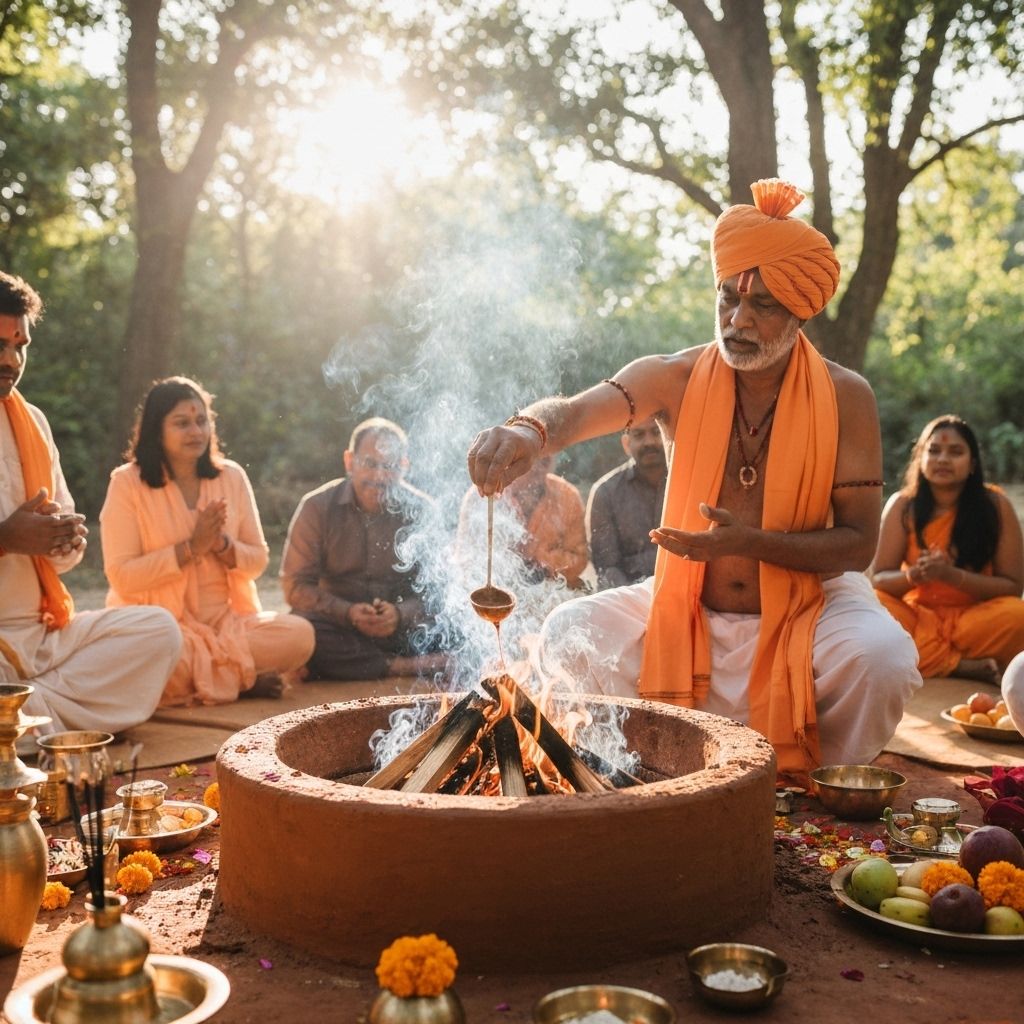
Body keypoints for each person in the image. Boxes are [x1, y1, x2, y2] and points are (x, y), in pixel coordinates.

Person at [467, 178, 921, 778]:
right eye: (728, 298)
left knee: (883, 659)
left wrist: (750, 543)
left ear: (800, 312)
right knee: (569, 632)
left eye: (763, 306)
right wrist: (529, 430)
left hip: (808, 604)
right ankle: (633, 772)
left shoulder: (845, 395)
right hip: (687, 599)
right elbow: (576, 412)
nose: (738, 319)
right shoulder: (674, 378)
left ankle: (817, 779)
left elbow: (859, 546)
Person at [0, 271, 181, 734]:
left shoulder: (32, 422)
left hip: (44, 637)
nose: (11, 359)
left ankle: (22, 721)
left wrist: (64, 541)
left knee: (158, 630)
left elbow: (63, 558)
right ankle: (35, 720)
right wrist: (6, 539)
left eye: (20, 345)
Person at [100, 377, 314, 705]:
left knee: (300, 635)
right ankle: (243, 678)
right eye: (182, 423)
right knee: (136, 655)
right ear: (156, 430)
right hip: (162, 628)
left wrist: (222, 547)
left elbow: (258, 560)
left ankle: (216, 677)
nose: (196, 431)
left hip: (226, 624)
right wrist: (190, 549)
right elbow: (121, 577)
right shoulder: (127, 484)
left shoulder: (231, 476)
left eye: (201, 421)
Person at [280, 417, 449, 680]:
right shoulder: (316, 507)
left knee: (460, 625)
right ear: (349, 462)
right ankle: (401, 666)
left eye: (389, 466)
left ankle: (372, 664)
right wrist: (348, 613)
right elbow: (295, 587)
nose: (379, 476)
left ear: (404, 466)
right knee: (301, 630)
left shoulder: (423, 510)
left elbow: (439, 591)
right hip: (341, 629)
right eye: (369, 464)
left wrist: (399, 615)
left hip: (404, 630)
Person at [869, 415, 1024, 683]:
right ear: (920, 458)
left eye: (955, 452)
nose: (942, 459)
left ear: (972, 463)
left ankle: (923, 657)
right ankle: (959, 664)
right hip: (917, 616)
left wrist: (951, 575)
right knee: (871, 606)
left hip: (973, 621)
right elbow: (880, 578)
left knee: (1017, 616)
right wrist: (914, 576)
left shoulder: (995, 505)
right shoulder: (902, 505)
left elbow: (1012, 587)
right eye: (934, 450)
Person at [456, 453, 589, 592]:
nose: (542, 465)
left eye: (546, 458)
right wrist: (507, 562)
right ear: (509, 460)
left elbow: (579, 560)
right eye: (535, 455)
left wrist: (541, 560)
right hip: (494, 589)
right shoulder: (482, 496)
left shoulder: (567, 496)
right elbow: (465, 559)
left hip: (553, 593)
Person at [586, 415, 667, 590]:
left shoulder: (689, 481)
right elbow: (607, 567)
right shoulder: (605, 493)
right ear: (626, 443)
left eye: (656, 432)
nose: (649, 442)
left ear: (668, 436)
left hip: (688, 589)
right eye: (639, 435)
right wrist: (637, 600)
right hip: (630, 595)